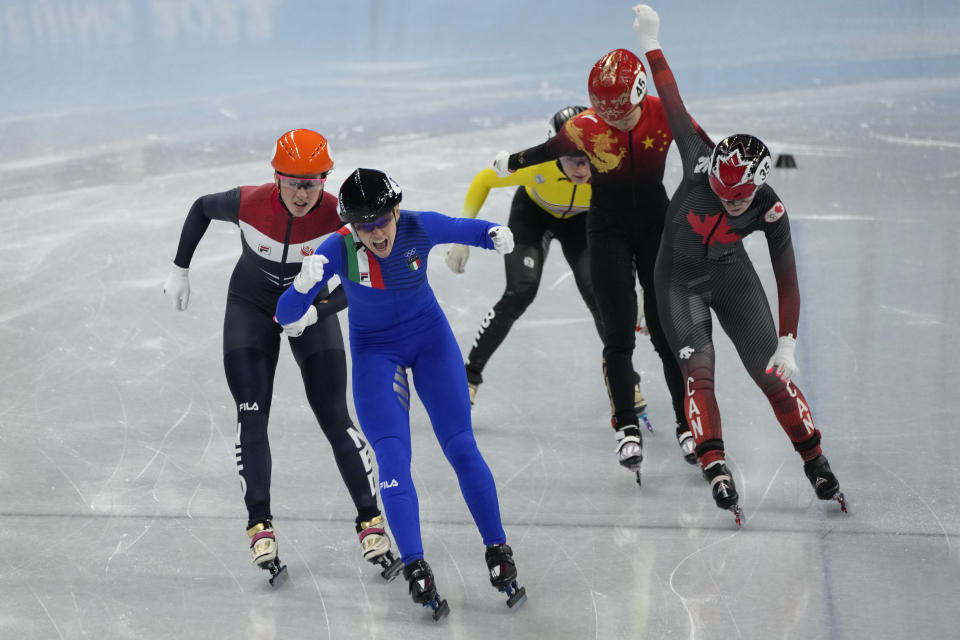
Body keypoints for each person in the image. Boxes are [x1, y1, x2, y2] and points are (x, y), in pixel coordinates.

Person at [275, 168, 527, 618]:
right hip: (376, 354)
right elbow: (285, 316)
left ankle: (498, 549)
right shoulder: (337, 249)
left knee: (461, 445)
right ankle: (415, 564)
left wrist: (493, 233)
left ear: (395, 211)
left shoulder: (416, 225)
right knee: (393, 456)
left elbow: (462, 228)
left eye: (381, 222)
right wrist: (300, 283)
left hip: (430, 341)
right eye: (363, 227)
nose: (375, 234)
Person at [631, 4, 846, 522]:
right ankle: (715, 463)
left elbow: (787, 277)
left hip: (731, 279)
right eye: (722, 195)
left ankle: (815, 460)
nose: (729, 203)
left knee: (773, 376)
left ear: (757, 186)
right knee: (699, 374)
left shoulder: (771, 208)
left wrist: (789, 341)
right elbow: (675, 100)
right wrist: (652, 42)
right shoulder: (700, 157)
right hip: (679, 284)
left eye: (738, 199)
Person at [161, 129, 399, 583]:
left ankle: (370, 519)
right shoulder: (248, 202)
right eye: (293, 182)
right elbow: (200, 209)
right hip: (249, 308)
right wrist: (179, 267)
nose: (303, 193)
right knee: (251, 411)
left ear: (326, 179)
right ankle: (259, 522)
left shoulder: (339, 215)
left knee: (334, 414)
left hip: (311, 311)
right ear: (275, 177)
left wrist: (317, 311)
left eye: (313, 182)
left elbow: (365, 277)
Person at [491, 49, 709, 483]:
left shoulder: (665, 113)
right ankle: (626, 425)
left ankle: (687, 422)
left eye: (624, 114)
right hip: (605, 232)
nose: (618, 122)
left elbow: (705, 152)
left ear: (640, 94)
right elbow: (545, 150)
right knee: (618, 330)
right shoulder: (586, 126)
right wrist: (509, 163)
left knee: (666, 332)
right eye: (608, 115)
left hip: (654, 231)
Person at [446, 106, 650, 425]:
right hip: (533, 218)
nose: (582, 169)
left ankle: (626, 381)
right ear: (554, 152)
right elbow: (484, 180)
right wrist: (462, 236)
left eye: (588, 159)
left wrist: (640, 286)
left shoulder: (612, 172)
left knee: (602, 298)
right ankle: (468, 377)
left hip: (582, 225)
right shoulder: (533, 166)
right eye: (573, 159)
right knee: (520, 292)